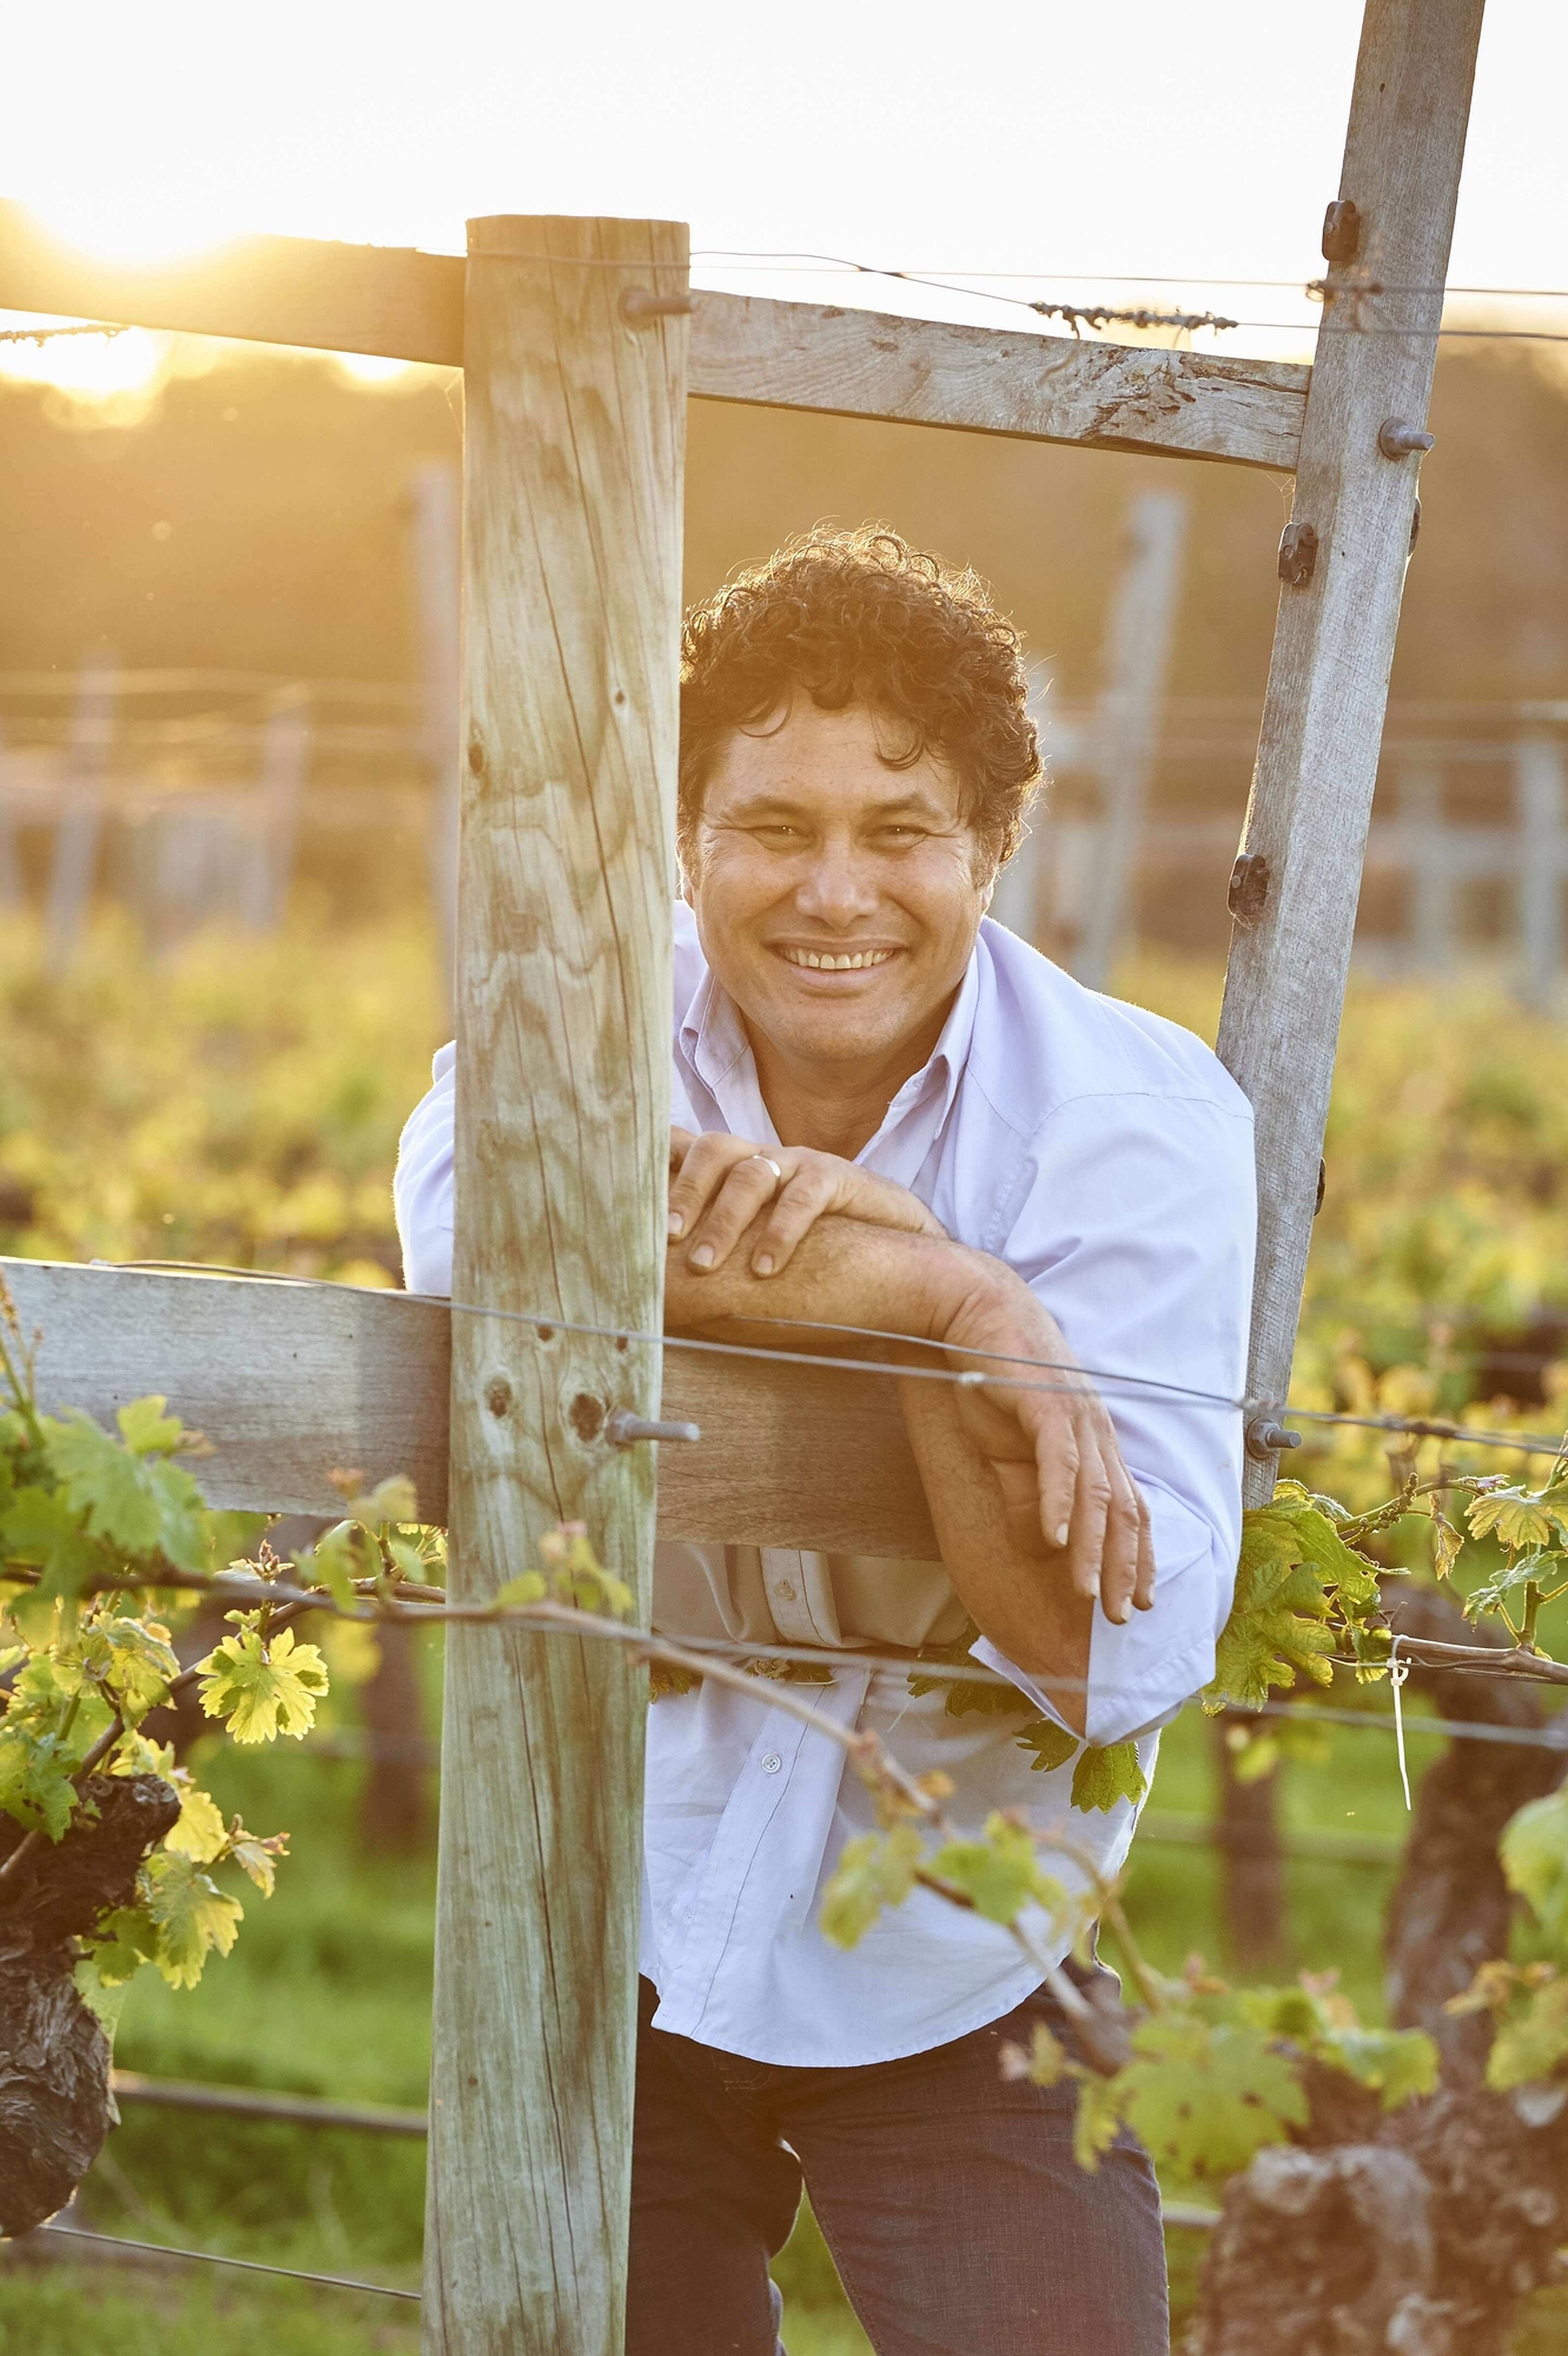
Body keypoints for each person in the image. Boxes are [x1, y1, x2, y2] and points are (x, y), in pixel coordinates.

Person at [394, 525, 1255, 2355]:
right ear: (689, 840)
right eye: (773, 827)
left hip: (957, 1949)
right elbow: (492, 1234)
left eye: (902, 830)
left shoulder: (1138, 1116)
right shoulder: (581, 1034)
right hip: (597, 1913)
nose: (835, 892)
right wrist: (949, 1306)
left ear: (995, 849)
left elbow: (1103, 1648)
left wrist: (769, 1261)